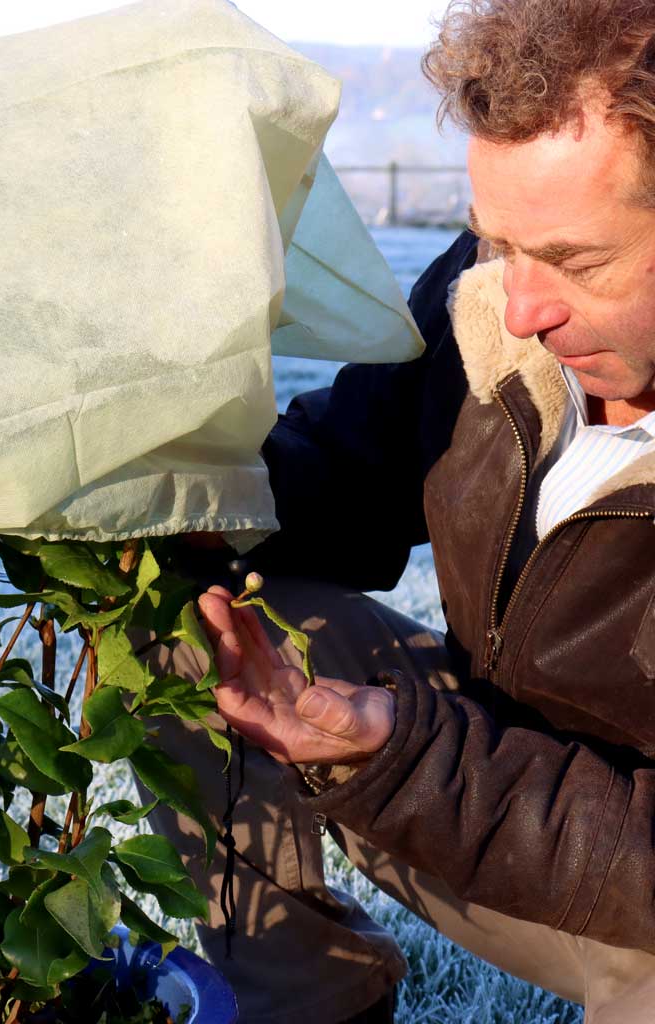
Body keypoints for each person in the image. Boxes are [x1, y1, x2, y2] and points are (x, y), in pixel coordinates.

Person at [142, 1, 655, 1021]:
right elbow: (345, 466)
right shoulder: (492, 304)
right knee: (206, 630)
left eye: (579, 262)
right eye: (498, 244)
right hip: (478, 779)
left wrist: (404, 752)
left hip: (625, 885)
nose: (521, 309)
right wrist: (165, 505)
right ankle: (299, 1006)